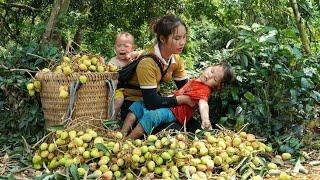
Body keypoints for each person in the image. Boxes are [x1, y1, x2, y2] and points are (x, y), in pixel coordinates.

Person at [120, 14, 199, 132]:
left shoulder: (175, 59)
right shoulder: (147, 63)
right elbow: (151, 102)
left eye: (184, 37)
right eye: (177, 38)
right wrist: (182, 99)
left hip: (155, 104)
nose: (182, 42)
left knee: (194, 127)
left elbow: (185, 88)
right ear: (162, 39)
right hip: (134, 107)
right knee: (175, 131)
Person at [120, 62, 235, 139]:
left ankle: (128, 141)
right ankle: (122, 133)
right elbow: (179, 94)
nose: (210, 75)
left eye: (214, 78)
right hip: (170, 106)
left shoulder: (204, 89)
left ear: (217, 86)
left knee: (151, 116)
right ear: (209, 66)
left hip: (175, 113)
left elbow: (203, 103)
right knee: (138, 105)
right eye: (212, 71)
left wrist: (205, 118)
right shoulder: (196, 81)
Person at [109, 32, 144, 118]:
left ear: (133, 48)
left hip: (132, 90)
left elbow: (145, 52)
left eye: (126, 46)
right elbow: (109, 73)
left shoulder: (133, 58)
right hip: (118, 89)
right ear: (114, 48)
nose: (122, 49)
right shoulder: (114, 61)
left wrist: (135, 54)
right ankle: (111, 119)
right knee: (118, 101)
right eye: (119, 45)